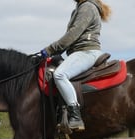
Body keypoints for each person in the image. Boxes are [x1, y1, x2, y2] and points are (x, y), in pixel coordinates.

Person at [41, 0, 111, 131]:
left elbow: (73, 34)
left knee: (60, 74)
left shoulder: (87, 7)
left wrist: (50, 49)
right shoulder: (80, 8)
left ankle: (75, 116)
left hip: (87, 51)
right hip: (78, 52)